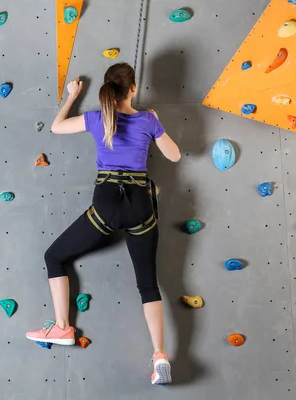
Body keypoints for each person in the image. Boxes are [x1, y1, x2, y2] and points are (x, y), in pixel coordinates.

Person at [25, 62, 181, 385]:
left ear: (109, 90)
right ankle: (159, 354)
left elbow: (56, 127)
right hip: (141, 206)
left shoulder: (98, 119)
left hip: (107, 206)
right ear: (133, 89)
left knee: (55, 257)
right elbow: (175, 156)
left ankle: (62, 326)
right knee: (148, 286)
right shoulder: (147, 120)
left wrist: (72, 96)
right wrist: (157, 122)